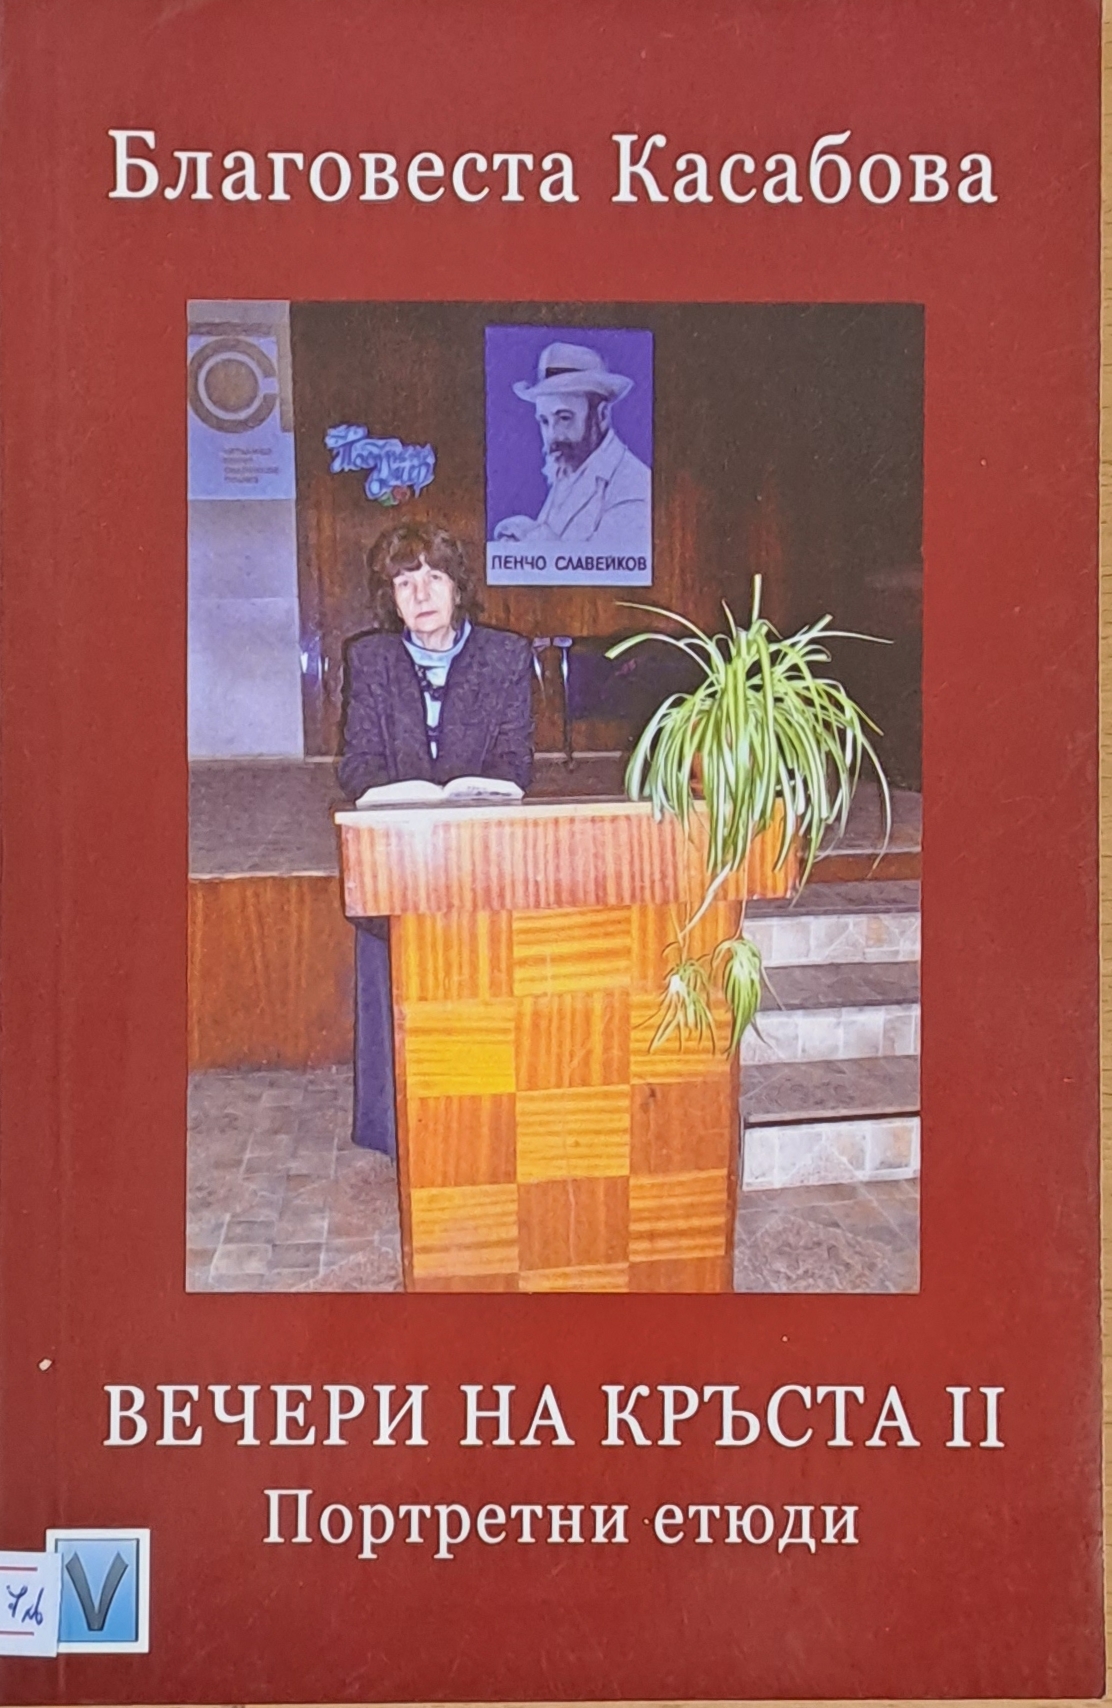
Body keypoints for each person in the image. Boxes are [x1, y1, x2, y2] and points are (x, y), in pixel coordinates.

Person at [338, 521, 534, 1155]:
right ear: (390, 598)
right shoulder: (370, 660)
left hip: (479, 857)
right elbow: (357, 763)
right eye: (404, 582)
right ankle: (394, 1129)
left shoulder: (506, 657)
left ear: (458, 587)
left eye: (433, 578)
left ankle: (476, 1126)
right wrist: (403, 800)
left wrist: (466, 800)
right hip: (398, 857)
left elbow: (516, 761)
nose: (420, 594)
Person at [492, 341, 651, 552]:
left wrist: (533, 536)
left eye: (564, 418)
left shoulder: (633, 486)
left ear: (602, 416)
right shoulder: (568, 471)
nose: (553, 435)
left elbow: (609, 567)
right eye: (544, 421)